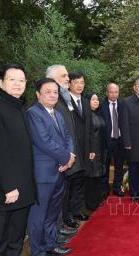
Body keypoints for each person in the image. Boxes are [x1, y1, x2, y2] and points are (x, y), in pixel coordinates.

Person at [0, 63, 36, 256]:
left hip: (23, 188)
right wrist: (8, 186)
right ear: (1, 83)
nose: (17, 84)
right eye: (12, 79)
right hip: (5, 190)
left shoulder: (19, 107)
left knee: (16, 238)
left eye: (21, 80)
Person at [27, 78, 75, 256]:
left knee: (52, 214)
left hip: (60, 172)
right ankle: (38, 251)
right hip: (43, 175)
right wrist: (67, 158)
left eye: (55, 91)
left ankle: (50, 245)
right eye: (48, 91)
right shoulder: (33, 113)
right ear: (38, 94)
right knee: (38, 217)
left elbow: (68, 137)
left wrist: (70, 157)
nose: (53, 95)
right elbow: (44, 142)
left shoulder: (57, 113)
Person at [45, 65, 81, 233]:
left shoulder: (63, 99)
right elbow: (50, 137)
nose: (68, 79)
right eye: (64, 76)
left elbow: (67, 132)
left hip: (66, 158)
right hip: (56, 162)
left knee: (61, 197)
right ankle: (55, 233)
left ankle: (59, 229)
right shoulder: (51, 103)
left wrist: (70, 154)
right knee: (54, 202)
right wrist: (65, 156)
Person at [64, 72, 92, 223]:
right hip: (70, 149)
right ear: (69, 84)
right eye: (76, 82)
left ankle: (77, 210)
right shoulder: (63, 102)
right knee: (70, 183)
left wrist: (91, 149)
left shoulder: (86, 102)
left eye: (82, 82)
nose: (79, 85)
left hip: (84, 149)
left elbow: (89, 127)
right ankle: (67, 215)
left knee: (81, 181)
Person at [99, 83, 125, 198]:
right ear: (107, 93)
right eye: (111, 92)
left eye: (116, 92)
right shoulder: (101, 105)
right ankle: (104, 190)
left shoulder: (123, 105)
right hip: (106, 141)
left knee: (119, 166)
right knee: (105, 166)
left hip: (120, 140)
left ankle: (117, 188)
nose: (114, 94)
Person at [85, 93, 106, 210]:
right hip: (92, 151)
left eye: (97, 99)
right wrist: (90, 150)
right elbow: (86, 136)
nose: (96, 101)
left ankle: (97, 201)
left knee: (98, 176)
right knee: (91, 177)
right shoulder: (86, 116)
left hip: (100, 150)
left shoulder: (98, 114)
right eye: (93, 99)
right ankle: (91, 204)